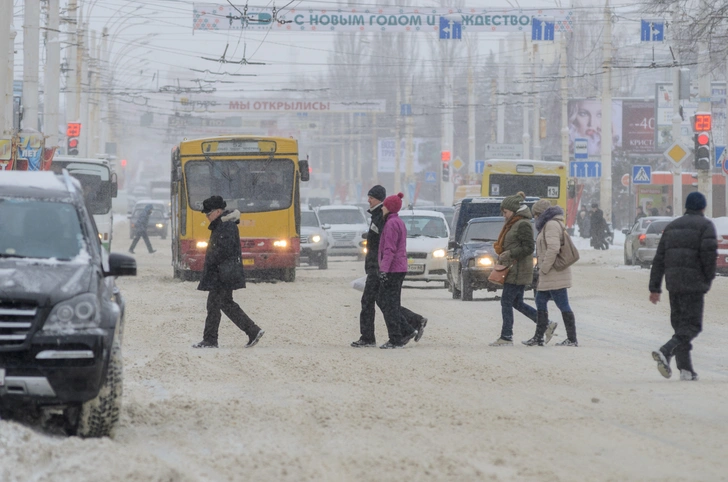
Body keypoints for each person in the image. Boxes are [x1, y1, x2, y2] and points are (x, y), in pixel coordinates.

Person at [648, 192, 717, 381]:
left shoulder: (671, 227)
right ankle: (666, 350)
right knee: (692, 326)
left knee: (680, 326)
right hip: (694, 286)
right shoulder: (706, 226)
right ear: (703, 207)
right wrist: (707, 280)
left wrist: (655, 287)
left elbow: (659, 260)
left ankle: (685, 369)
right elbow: (709, 258)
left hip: (674, 285)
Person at [352, 185, 428, 348]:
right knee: (384, 301)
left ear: (381, 201)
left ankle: (375, 337)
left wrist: (382, 269)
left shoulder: (386, 218)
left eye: (371, 197)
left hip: (381, 266)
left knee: (373, 301)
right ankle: (411, 323)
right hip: (381, 265)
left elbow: (387, 246)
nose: (368, 200)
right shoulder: (384, 216)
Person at [193, 195, 264, 349]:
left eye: (208, 213)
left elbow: (224, 250)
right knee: (225, 304)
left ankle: (210, 340)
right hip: (222, 272)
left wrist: (212, 262)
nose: (206, 217)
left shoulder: (226, 226)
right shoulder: (222, 224)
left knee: (214, 305)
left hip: (222, 274)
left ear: (218, 211)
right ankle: (252, 331)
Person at [489, 192, 545, 346]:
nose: (503, 215)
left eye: (505, 212)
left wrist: (510, 253)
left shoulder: (523, 224)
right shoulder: (514, 223)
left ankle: (506, 336)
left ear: (513, 210)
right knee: (517, 302)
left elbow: (528, 247)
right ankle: (545, 323)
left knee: (506, 301)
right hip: (513, 268)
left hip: (518, 269)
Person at [526, 200, 578, 347]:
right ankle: (538, 337)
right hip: (551, 274)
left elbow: (553, 248)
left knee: (563, 304)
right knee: (540, 300)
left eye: (536, 214)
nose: (534, 217)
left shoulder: (551, 225)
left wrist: (544, 268)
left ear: (541, 214)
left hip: (554, 273)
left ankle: (572, 339)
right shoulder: (549, 225)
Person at [377, 192, 419, 349]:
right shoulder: (398, 222)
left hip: (393, 269)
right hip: (398, 268)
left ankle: (396, 338)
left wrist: (383, 270)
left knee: (389, 305)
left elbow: (389, 250)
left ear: (389, 208)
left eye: (384, 206)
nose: (382, 209)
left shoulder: (391, 224)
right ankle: (405, 331)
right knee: (391, 303)